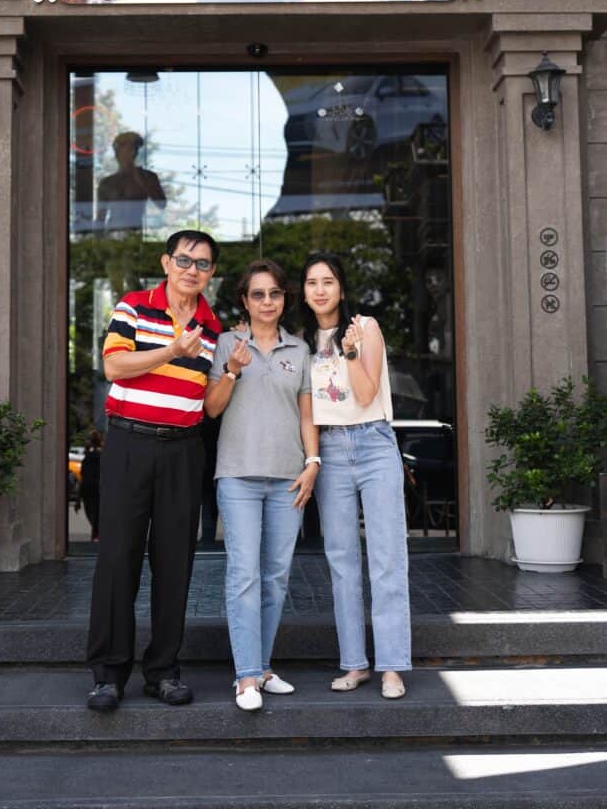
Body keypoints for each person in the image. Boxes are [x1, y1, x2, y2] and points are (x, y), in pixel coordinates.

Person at [86, 229, 221, 711]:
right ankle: (108, 675)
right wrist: (171, 351)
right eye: (183, 260)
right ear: (166, 263)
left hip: (183, 450)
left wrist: (232, 372)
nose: (191, 270)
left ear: (211, 273)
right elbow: (114, 368)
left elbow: (208, 404)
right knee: (117, 559)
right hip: (129, 444)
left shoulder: (213, 328)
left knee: (174, 563)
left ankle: (163, 671)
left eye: (202, 264)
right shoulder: (134, 307)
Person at [204, 259, 319, 711]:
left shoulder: (300, 350)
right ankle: (247, 677)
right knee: (245, 575)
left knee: (275, 578)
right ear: (245, 301)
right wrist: (232, 369)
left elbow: (307, 415)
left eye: (274, 293)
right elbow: (212, 408)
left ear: (284, 299)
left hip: (289, 478)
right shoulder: (226, 343)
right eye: (258, 294)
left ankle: (263, 667)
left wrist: (312, 463)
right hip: (238, 476)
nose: (267, 302)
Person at [300, 252, 411, 700]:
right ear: (303, 292)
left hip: (373, 443)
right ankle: (355, 664)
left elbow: (366, 394)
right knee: (342, 561)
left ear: (341, 288)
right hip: (329, 449)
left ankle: (392, 666)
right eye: (312, 282)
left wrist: (348, 352)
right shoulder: (301, 342)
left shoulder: (365, 328)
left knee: (387, 558)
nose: (320, 290)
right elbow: (306, 410)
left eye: (328, 281)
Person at [96, 131, 167, 233]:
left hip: (135, 234)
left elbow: (161, 204)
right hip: (112, 235)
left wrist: (142, 182)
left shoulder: (147, 177)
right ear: (118, 152)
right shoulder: (107, 183)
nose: (133, 153)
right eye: (129, 149)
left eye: (135, 149)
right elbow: (100, 218)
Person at [79, 429, 102, 542]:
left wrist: (78, 496)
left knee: (91, 511)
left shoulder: (87, 457)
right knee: (96, 511)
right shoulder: (101, 456)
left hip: (88, 487)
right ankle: (96, 532)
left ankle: (95, 532)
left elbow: (83, 475)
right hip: (97, 487)